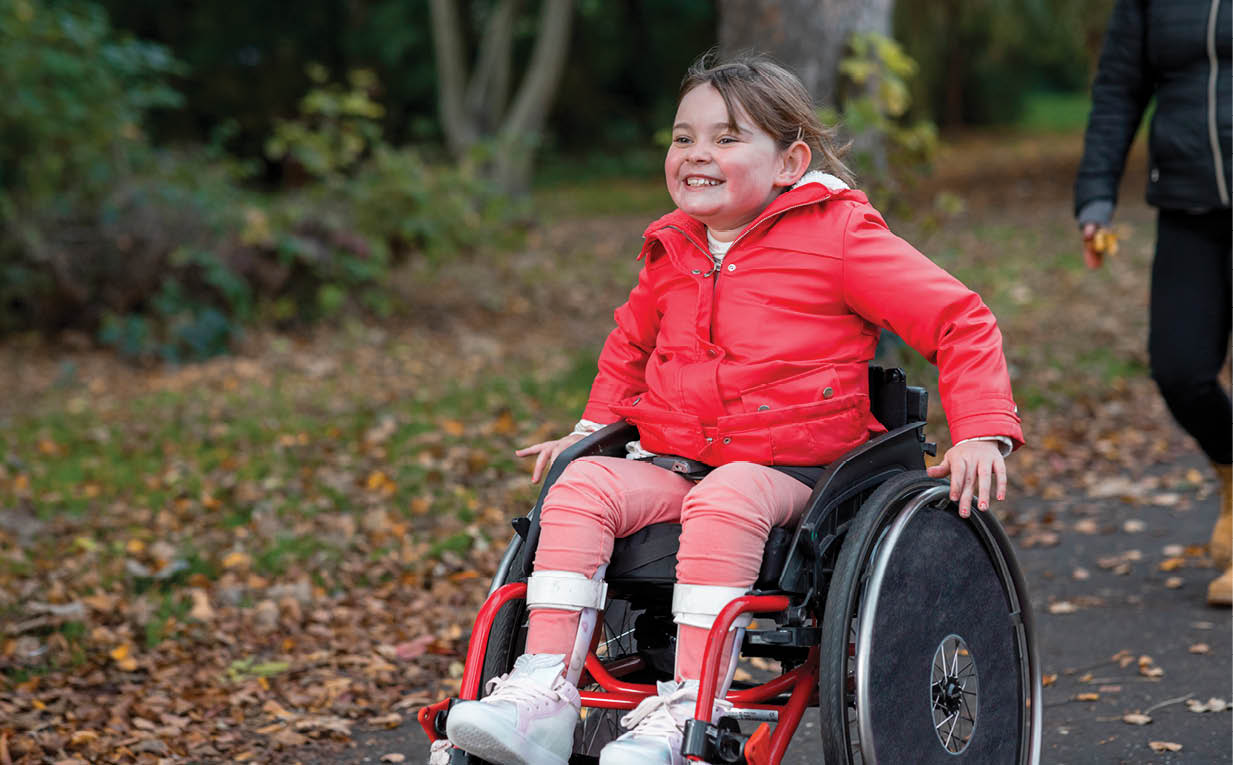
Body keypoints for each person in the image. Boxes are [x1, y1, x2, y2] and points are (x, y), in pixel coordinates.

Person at [432, 53, 1023, 765]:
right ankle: (541, 692)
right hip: (677, 459)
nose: (697, 154)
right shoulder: (671, 246)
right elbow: (628, 344)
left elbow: (958, 318)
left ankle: (689, 706)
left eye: (726, 137)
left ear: (788, 161)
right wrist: (589, 432)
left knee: (727, 493)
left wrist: (981, 430)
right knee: (579, 485)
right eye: (683, 138)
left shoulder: (838, 236)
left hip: (800, 474)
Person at [1074, 0, 1231, 606]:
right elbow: (1119, 87)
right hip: (1188, 203)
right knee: (1180, 368)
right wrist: (1095, 198)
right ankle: (1231, 473)